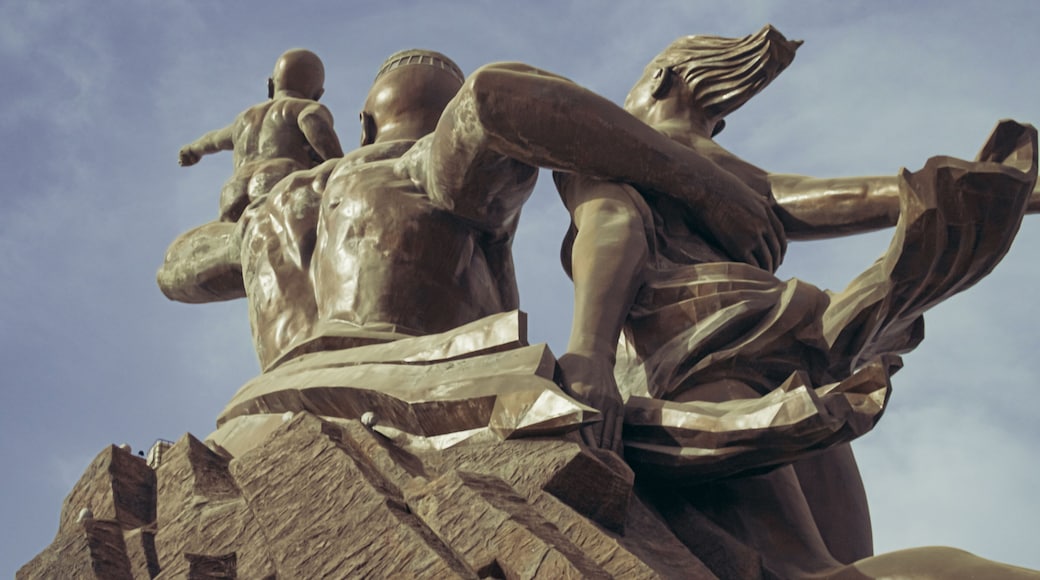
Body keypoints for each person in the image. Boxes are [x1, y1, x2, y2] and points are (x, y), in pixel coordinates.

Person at [554, 25, 1038, 578]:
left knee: (814, 574)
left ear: (657, 80)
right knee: (849, 566)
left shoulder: (600, 145)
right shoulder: (741, 178)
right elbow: (853, 195)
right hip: (800, 369)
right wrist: (985, 188)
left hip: (700, 370)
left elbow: (614, 228)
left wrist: (587, 351)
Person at [177, 48, 344, 223]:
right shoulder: (303, 107)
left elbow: (214, 140)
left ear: (270, 85)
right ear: (318, 95)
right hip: (277, 177)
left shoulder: (243, 119)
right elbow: (311, 121)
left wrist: (192, 150)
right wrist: (339, 162)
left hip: (234, 189)